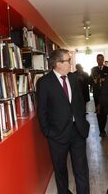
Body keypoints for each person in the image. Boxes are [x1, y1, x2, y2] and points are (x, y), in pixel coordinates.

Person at [36, 49, 90, 194]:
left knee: (81, 170)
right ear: (58, 64)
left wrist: (83, 123)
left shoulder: (73, 78)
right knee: (60, 171)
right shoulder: (44, 83)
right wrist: (48, 132)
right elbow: (41, 111)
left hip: (78, 131)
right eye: (68, 60)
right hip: (57, 135)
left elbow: (79, 101)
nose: (70, 63)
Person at [90, 54, 108, 137]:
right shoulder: (93, 69)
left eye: (101, 59)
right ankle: (101, 130)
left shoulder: (107, 69)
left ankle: (102, 130)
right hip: (96, 94)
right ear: (96, 60)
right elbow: (91, 81)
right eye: (98, 59)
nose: (100, 61)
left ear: (103, 60)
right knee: (98, 112)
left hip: (105, 94)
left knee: (104, 113)